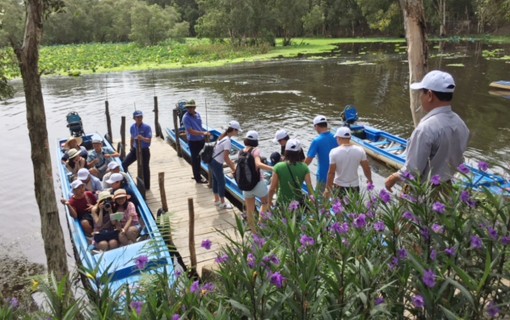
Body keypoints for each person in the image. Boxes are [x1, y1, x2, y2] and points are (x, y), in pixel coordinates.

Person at [385, 70, 470, 192]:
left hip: (423, 192)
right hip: (446, 189)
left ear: (429, 95)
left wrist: (393, 177)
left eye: (421, 93)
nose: (420, 97)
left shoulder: (426, 129)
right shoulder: (461, 124)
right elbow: (459, 160)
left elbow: (413, 171)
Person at [324, 127, 372, 197]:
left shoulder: (334, 152)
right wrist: (369, 179)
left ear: (339, 138)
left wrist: (328, 189)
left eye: (337, 138)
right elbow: (366, 168)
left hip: (339, 186)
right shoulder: (360, 150)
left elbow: (331, 173)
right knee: (353, 207)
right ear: (349, 138)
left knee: (339, 207)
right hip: (354, 186)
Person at [241, 130, 274, 233]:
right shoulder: (255, 150)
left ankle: (254, 231)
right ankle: (260, 222)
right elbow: (258, 164)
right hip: (258, 184)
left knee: (249, 210)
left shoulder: (241, 151)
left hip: (246, 185)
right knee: (265, 202)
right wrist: (273, 168)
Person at [268, 139, 314, 207]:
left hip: (282, 203)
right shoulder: (304, 167)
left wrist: (269, 202)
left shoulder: (278, 167)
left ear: (286, 151)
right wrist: (313, 203)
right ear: (299, 152)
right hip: (297, 204)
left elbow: (272, 188)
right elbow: (310, 189)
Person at [211, 120, 241, 209]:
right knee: (221, 182)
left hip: (212, 160)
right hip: (217, 163)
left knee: (215, 180)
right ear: (234, 130)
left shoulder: (222, 137)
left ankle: (216, 200)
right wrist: (234, 169)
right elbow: (226, 158)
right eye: (237, 130)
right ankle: (223, 203)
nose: (238, 132)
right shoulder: (227, 141)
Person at [305, 115, 338, 191]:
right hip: (337, 176)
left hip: (323, 176)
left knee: (321, 200)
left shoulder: (317, 141)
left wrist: (298, 169)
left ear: (316, 126)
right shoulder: (337, 138)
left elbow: (308, 160)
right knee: (336, 199)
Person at [182, 99, 210, 184]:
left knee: (201, 157)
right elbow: (190, 131)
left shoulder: (198, 115)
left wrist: (204, 134)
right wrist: (203, 133)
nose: (190, 109)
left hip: (201, 139)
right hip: (193, 141)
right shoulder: (186, 117)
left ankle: (198, 173)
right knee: (195, 159)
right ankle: (198, 178)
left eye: (191, 107)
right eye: (188, 108)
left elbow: (199, 126)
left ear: (194, 107)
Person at [122, 110, 152, 189]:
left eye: (140, 116)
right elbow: (132, 137)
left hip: (144, 150)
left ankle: (147, 186)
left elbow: (149, 140)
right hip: (135, 149)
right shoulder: (132, 127)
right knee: (124, 163)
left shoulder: (147, 127)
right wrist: (131, 146)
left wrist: (142, 138)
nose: (139, 118)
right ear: (134, 118)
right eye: (137, 117)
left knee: (145, 168)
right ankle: (125, 181)